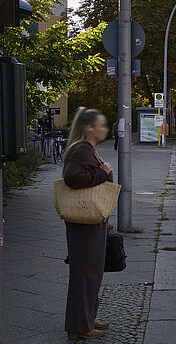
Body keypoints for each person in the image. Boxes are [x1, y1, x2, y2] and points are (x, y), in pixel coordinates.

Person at [61, 107, 115, 340]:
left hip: (91, 220)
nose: (105, 129)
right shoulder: (82, 149)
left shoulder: (87, 148)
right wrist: (102, 172)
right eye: (101, 125)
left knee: (91, 271)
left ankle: (86, 318)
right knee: (84, 272)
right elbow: (73, 178)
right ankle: (78, 326)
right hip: (84, 222)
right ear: (89, 128)